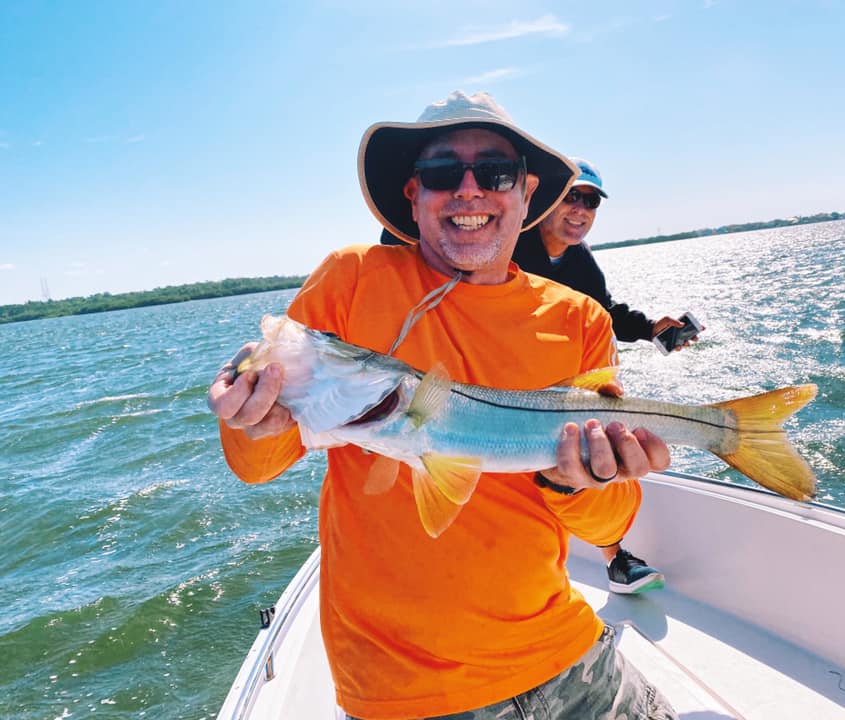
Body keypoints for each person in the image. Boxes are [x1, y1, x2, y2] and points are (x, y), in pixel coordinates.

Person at [208, 91, 677, 720]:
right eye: (439, 174)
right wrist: (250, 416)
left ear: (527, 192)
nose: (468, 190)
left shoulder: (578, 318)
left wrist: (578, 483)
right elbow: (257, 464)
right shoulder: (351, 279)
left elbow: (610, 523)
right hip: (405, 693)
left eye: (495, 172)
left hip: (565, 653)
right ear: (413, 194)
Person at [515, 158, 699, 594]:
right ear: (543, 200)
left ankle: (616, 558)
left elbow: (605, 312)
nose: (580, 209)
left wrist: (651, 328)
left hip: (569, 380)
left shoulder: (581, 262)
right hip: (512, 379)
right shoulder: (511, 246)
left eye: (591, 201)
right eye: (571, 197)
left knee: (599, 452)